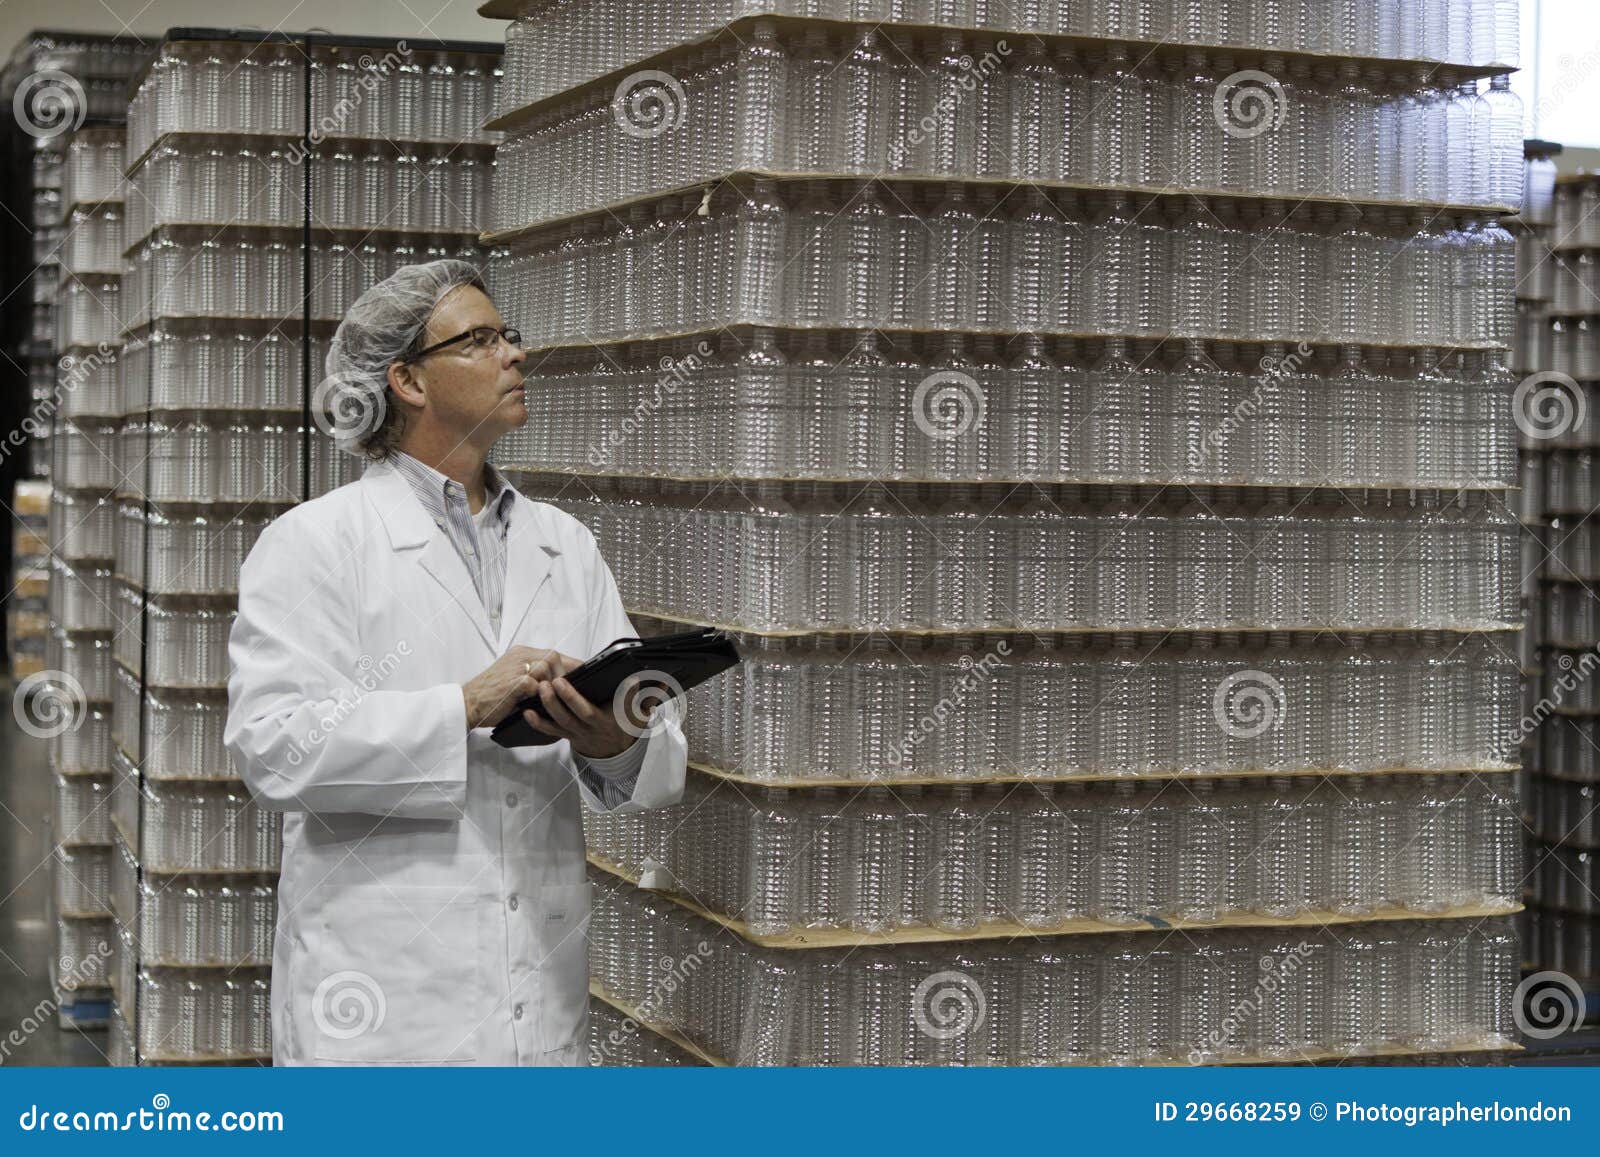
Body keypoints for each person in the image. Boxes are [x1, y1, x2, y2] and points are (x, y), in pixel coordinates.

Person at [224, 260, 686, 1066]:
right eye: (480, 339)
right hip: (381, 1011)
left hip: (538, 995)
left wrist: (614, 738)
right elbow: (273, 748)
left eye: (510, 335)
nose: (514, 354)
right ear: (405, 379)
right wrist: (462, 706)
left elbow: (649, 748)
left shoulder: (563, 544)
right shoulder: (315, 544)